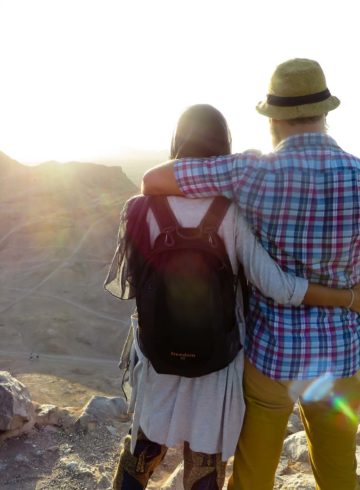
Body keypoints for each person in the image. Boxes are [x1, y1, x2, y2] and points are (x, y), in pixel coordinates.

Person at [106, 102, 360, 490]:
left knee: (142, 450)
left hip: (156, 356)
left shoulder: (138, 209)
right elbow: (276, 286)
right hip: (217, 362)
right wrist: (347, 298)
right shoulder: (230, 214)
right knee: (204, 461)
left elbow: (133, 286)